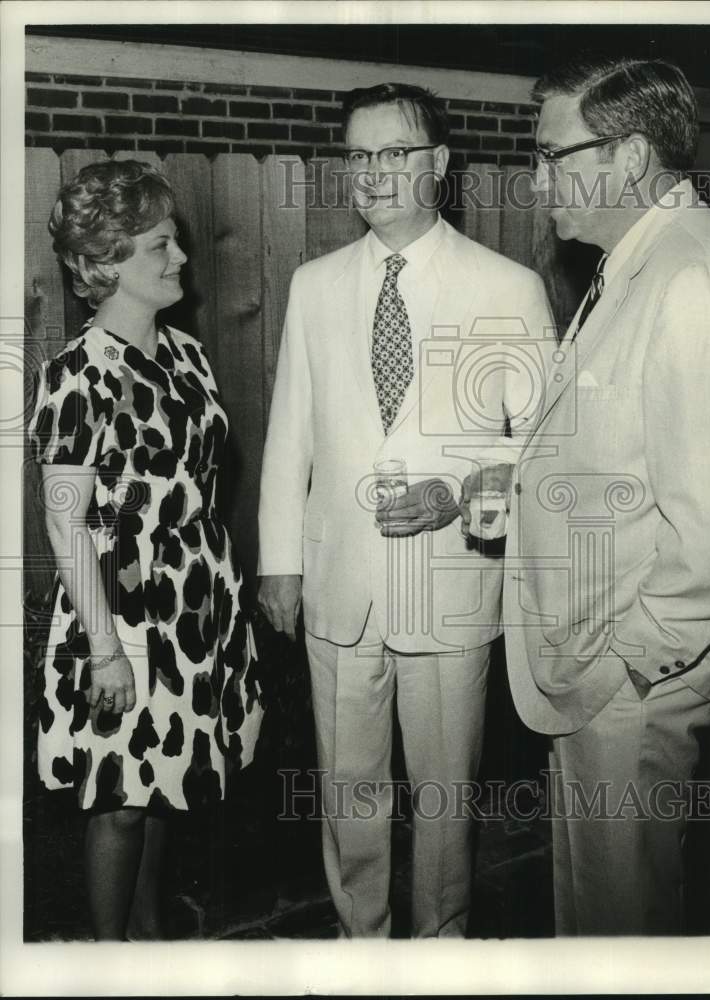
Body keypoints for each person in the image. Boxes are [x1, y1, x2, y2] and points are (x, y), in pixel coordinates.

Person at [465, 55, 710, 934]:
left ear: (628, 157)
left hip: (629, 677)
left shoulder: (693, 282)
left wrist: (633, 661)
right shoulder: (637, 259)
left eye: (554, 154)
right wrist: (522, 489)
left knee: (621, 919)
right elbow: (625, 458)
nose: (537, 177)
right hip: (596, 665)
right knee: (596, 909)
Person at [257, 82, 554, 937]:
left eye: (393, 153)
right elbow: (290, 437)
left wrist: (459, 495)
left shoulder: (507, 287)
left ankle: (437, 952)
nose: (372, 173)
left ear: (438, 164)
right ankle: (361, 946)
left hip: (451, 590)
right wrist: (281, 562)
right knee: (348, 796)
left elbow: (537, 452)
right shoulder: (314, 286)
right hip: (338, 593)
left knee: (443, 804)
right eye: (357, 156)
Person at [29, 159, 264, 940]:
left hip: (193, 604)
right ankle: (107, 960)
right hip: (118, 602)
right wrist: (104, 647)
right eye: (159, 246)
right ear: (105, 264)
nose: (180, 259)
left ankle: (149, 941)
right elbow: (68, 521)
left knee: (168, 784)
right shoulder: (75, 374)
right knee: (120, 806)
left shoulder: (190, 358)